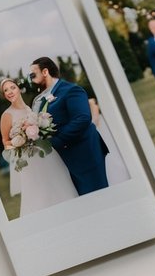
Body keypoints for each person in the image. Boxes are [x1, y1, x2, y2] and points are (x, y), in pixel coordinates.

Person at [29, 58, 109, 195]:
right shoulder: (42, 99)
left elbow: (82, 119)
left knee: (98, 194)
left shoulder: (71, 90)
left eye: (33, 73)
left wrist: (56, 141)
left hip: (86, 151)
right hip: (70, 156)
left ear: (45, 71)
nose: (30, 78)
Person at [0, 76, 78, 215]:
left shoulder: (30, 108)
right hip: (30, 160)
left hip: (45, 153)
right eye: (6, 90)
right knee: (38, 191)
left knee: (57, 181)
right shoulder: (7, 115)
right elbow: (5, 142)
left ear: (19, 89)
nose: (10, 92)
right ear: (4, 95)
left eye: (12, 87)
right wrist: (21, 140)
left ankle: (71, 213)